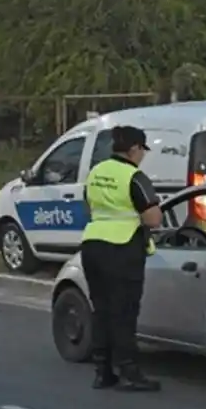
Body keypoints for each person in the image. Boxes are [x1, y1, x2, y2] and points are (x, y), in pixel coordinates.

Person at [80, 125, 163, 392]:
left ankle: (102, 371)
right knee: (124, 312)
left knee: (101, 310)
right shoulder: (135, 177)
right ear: (135, 149)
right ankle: (128, 371)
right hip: (123, 248)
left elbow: (89, 205)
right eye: (142, 151)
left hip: (92, 246)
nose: (143, 156)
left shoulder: (96, 172)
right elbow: (153, 218)